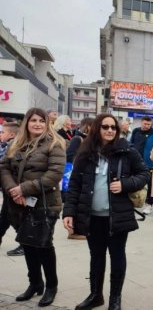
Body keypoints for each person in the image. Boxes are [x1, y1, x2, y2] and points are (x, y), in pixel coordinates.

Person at [62, 113, 150, 310]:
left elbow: (144, 174)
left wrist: (125, 184)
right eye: (105, 127)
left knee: (117, 256)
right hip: (91, 217)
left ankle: (115, 299)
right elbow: (74, 184)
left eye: (113, 127)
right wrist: (68, 212)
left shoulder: (127, 151)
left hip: (117, 216)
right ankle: (95, 295)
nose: (110, 130)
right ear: (97, 129)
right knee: (96, 257)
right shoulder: (85, 153)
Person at [0, 108, 66, 306]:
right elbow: (3, 168)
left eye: (41, 121)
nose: (37, 124)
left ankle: (51, 286)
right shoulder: (15, 144)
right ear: (27, 123)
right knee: (27, 244)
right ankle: (35, 283)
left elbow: (54, 174)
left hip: (44, 203)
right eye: (33, 120)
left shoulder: (55, 144)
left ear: (47, 124)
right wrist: (13, 189)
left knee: (43, 244)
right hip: (17, 203)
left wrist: (24, 189)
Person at [0, 121, 22, 255]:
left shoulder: (14, 147)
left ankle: (25, 243)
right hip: (8, 187)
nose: (0, 134)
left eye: (2, 132)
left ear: (11, 134)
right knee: (5, 216)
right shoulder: (6, 145)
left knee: (13, 217)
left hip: (13, 188)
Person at [130, 116, 153, 215]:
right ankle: (133, 203)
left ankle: (149, 205)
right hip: (135, 162)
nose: (146, 126)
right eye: (145, 124)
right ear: (141, 123)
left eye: (148, 124)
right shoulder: (135, 131)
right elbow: (131, 144)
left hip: (149, 164)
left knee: (150, 185)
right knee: (133, 183)